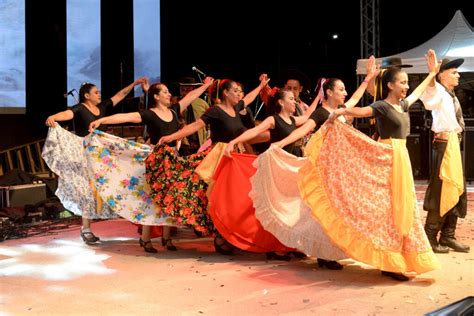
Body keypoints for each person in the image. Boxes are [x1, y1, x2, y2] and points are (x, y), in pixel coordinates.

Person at [325, 49, 441, 281]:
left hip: (401, 160)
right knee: (390, 211)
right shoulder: (381, 106)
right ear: (390, 85)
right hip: (387, 159)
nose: (407, 86)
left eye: (407, 83)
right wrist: (341, 111)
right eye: (403, 82)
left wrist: (432, 74)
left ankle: (396, 260)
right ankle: (389, 262)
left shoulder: (402, 106)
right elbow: (360, 111)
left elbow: (417, 93)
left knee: (402, 209)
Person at [89, 76, 215, 252]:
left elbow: (190, 97)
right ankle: (145, 238)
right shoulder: (150, 114)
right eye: (165, 91)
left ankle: (166, 238)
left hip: (173, 159)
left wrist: (205, 86)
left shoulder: (174, 111)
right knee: (154, 198)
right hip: (157, 161)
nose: (169, 94)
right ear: (156, 96)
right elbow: (126, 116)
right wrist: (102, 120)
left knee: (171, 197)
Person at [159, 75, 270, 255]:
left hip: (237, 156)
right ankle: (220, 236)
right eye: (235, 91)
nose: (239, 94)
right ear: (225, 93)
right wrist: (172, 137)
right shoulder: (216, 111)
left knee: (239, 197)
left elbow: (248, 98)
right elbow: (195, 126)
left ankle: (233, 234)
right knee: (220, 198)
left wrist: (261, 86)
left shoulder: (237, 107)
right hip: (221, 157)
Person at [45, 77, 147, 245]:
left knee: (117, 183)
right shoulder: (79, 108)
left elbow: (120, 95)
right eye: (96, 92)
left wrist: (134, 84)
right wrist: (54, 117)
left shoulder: (103, 107)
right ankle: (86, 229)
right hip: (86, 155)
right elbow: (66, 114)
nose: (99, 95)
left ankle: (136, 218)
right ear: (86, 95)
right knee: (86, 190)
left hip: (103, 155)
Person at [420, 58, 470, 253]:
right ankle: (430, 237)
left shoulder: (451, 95)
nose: (458, 75)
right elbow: (428, 92)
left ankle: (448, 236)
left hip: (453, 143)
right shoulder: (439, 91)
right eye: (454, 72)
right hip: (445, 144)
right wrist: (432, 74)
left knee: (456, 189)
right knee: (442, 190)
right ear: (442, 75)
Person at [274, 56, 377, 150]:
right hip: (330, 159)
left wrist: (368, 77)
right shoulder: (320, 113)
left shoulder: (341, 109)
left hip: (345, 155)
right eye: (341, 89)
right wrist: (281, 143)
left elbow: (355, 98)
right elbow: (304, 129)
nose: (345, 93)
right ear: (329, 92)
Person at [175, 77, 210, 155]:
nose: (184, 93)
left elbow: (209, 123)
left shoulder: (202, 104)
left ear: (193, 90)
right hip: (182, 142)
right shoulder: (177, 104)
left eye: (187, 90)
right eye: (182, 90)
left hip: (199, 141)